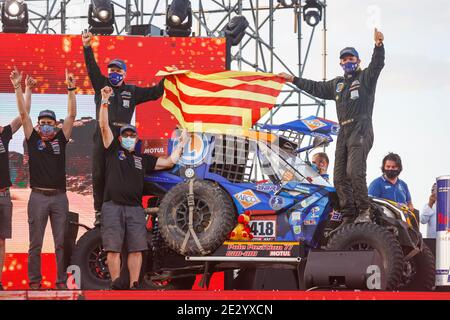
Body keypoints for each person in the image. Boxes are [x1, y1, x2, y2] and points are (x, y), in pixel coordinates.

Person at [279, 28, 385, 224]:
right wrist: (293, 79)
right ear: (340, 63)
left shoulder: (365, 78)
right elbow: (316, 87)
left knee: (354, 171)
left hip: (361, 127)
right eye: (344, 59)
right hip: (343, 131)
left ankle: (365, 210)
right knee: (339, 177)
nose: (347, 61)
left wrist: (378, 47)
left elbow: (377, 66)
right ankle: (348, 214)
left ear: (358, 61)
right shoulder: (337, 84)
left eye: (351, 58)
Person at [98, 86, 188, 289]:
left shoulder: (142, 159)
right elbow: (104, 127)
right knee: (112, 249)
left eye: (132, 134)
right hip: (112, 206)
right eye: (126, 135)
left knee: (136, 249)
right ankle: (114, 284)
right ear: (120, 138)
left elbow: (168, 163)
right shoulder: (112, 151)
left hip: (135, 209)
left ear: (136, 139)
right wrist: (104, 101)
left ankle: (134, 284)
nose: (129, 137)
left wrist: (181, 144)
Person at [82, 31, 166, 224]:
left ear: (124, 74)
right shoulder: (102, 84)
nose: (114, 73)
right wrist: (87, 47)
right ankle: (99, 212)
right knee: (98, 172)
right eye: (111, 70)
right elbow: (91, 68)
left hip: (121, 139)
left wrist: (167, 79)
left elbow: (154, 93)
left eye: (118, 71)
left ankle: (119, 207)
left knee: (119, 172)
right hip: (102, 135)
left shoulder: (132, 91)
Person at [12, 67, 77, 290]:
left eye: (50, 121)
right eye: (43, 121)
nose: (46, 124)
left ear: (55, 124)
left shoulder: (61, 137)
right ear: (38, 124)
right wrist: (18, 87)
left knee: (61, 244)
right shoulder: (32, 138)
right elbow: (23, 115)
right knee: (35, 244)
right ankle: (35, 283)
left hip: (60, 198)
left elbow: (71, 116)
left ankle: (61, 283)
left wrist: (70, 88)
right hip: (37, 197)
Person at [1, 72, 36, 290]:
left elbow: (24, 117)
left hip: (3, 196)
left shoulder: (4, 133)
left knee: (1, 241)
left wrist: (26, 89)